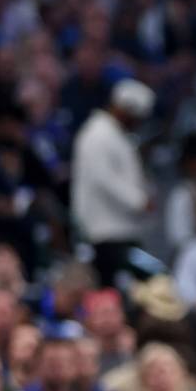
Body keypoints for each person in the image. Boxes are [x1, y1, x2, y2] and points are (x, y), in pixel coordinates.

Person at [70, 79, 155, 285]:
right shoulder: (97, 134)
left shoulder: (117, 135)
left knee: (144, 279)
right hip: (105, 234)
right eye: (136, 117)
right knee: (149, 277)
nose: (137, 123)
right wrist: (139, 201)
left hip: (123, 232)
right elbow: (103, 178)